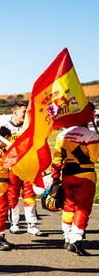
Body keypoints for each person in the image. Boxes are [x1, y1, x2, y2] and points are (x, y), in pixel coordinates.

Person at [51, 110, 99, 256]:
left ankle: (67, 237)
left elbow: (57, 159)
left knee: (69, 206)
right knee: (83, 208)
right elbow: (95, 158)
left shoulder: (62, 134)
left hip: (67, 175)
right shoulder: (91, 135)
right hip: (85, 175)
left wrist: (55, 178)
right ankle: (76, 241)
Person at [6, 100, 44, 236]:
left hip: (28, 168)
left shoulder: (29, 127)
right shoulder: (5, 128)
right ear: (15, 112)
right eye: (24, 112)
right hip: (12, 169)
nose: (26, 115)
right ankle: (14, 223)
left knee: (30, 195)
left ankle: (32, 224)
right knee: (12, 196)